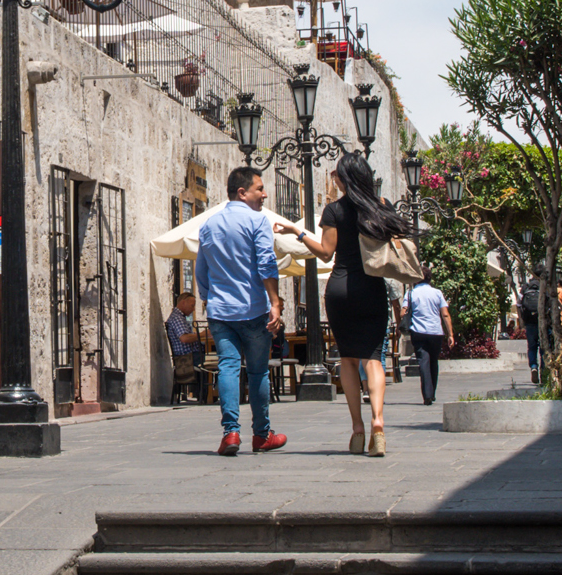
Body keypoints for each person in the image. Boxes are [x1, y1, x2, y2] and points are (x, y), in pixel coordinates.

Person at [289, 152, 407, 457]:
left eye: (335, 174)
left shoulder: (334, 211)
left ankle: (357, 429)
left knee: (348, 360)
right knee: (374, 359)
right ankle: (378, 422)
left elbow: (326, 253)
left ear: (345, 178)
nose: (333, 179)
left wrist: (299, 233)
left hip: (341, 289)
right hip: (371, 288)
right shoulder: (380, 208)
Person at [195, 168, 287, 456]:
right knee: (259, 372)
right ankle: (261, 435)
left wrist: (210, 299)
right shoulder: (257, 221)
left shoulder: (208, 225)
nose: (265, 194)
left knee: (228, 367)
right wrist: (275, 301)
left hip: (221, 312)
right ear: (241, 192)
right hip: (253, 310)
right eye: (259, 189)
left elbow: (201, 270)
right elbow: (266, 264)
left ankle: (231, 433)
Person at [400, 269, 449, 405]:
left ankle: (427, 395)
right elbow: (445, 314)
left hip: (418, 332)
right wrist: (450, 333)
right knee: (433, 361)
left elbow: (403, 312)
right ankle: (432, 392)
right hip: (436, 332)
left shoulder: (410, 293)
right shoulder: (437, 293)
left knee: (423, 362)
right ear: (429, 278)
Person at [165, 291, 201, 400]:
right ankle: (208, 394)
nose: (193, 309)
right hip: (186, 358)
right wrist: (202, 335)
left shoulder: (181, 318)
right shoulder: (177, 318)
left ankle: (208, 393)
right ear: (183, 303)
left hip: (191, 355)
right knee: (215, 360)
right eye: (192, 305)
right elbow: (184, 338)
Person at [518, 277, 543, 383]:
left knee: (532, 348)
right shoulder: (543, 286)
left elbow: (519, 304)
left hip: (529, 323)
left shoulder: (525, 288)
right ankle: (544, 371)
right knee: (544, 348)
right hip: (542, 322)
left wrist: (522, 321)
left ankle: (533, 366)